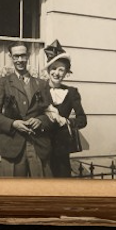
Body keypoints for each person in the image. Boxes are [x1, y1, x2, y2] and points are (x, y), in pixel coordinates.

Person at [0, 43, 51, 177]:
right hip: (13, 146)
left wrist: (40, 120)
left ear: (28, 56)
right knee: (13, 189)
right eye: (16, 56)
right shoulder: (3, 83)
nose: (20, 60)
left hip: (37, 145)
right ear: (11, 57)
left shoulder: (41, 84)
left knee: (40, 190)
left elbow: (50, 114)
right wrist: (13, 124)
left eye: (23, 55)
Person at [37, 41, 87, 177]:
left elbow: (82, 120)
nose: (57, 73)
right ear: (48, 70)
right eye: (53, 68)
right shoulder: (39, 90)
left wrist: (66, 121)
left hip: (62, 150)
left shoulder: (72, 92)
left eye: (61, 70)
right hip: (41, 146)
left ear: (66, 73)